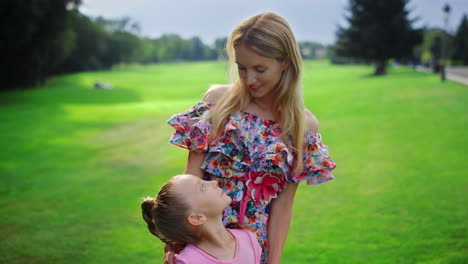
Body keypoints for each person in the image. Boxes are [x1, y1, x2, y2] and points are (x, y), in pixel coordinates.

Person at [166, 12, 336, 264]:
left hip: (253, 249)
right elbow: (190, 181)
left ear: (285, 62)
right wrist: (174, 243)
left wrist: (273, 261)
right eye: (242, 68)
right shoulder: (218, 102)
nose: (249, 79)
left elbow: (282, 206)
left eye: (260, 69)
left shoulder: (302, 125)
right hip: (201, 243)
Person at [142, 174, 262, 263]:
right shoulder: (189, 261)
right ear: (197, 217)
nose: (214, 182)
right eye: (203, 187)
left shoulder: (248, 239)